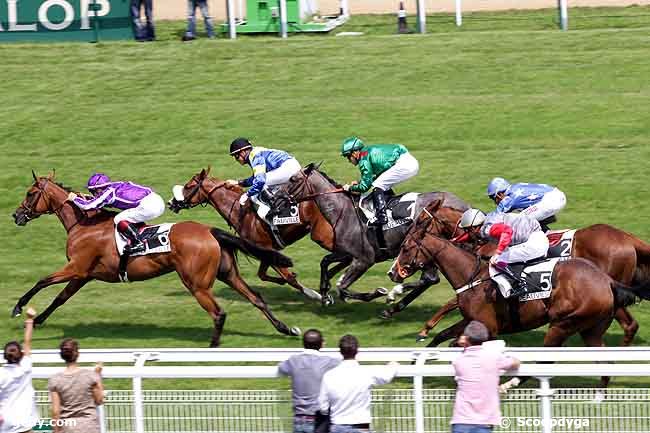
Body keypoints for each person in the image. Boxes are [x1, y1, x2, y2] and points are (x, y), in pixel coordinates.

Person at [457, 208, 549, 298]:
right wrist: (454, 241)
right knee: (502, 256)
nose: (467, 233)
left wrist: (498, 253)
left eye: (467, 230)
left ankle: (520, 284)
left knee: (498, 259)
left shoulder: (487, 229)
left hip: (535, 244)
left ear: (474, 228)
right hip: (535, 238)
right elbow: (469, 236)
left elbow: (507, 231)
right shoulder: (488, 220)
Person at [67, 173, 166, 255]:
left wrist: (74, 198)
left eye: (93, 191)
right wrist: (89, 197)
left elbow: (87, 206)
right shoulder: (115, 185)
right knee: (128, 215)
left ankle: (138, 243)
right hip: (157, 199)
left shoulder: (108, 193)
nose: (92, 193)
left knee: (118, 218)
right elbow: (104, 201)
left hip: (150, 207)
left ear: (99, 189)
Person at [318, 335, 399, 433]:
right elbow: (386, 376)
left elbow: (323, 407)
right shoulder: (366, 372)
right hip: (361, 427)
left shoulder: (329, 375)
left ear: (340, 351)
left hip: (337, 426)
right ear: (357, 351)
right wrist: (393, 366)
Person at [451, 321, 520, 433]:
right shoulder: (494, 357)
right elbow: (515, 363)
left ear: (466, 339)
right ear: (485, 340)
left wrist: (463, 342)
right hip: (485, 422)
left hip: (461, 420)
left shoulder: (459, 361)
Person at [340, 137, 419, 226]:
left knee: (378, 185)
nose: (349, 160)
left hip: (404, 164)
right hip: (408, 161)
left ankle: (382, 217)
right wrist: (360, 182)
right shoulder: (366, 153)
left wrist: (349, 188)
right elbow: (373, 178)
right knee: (381, 183)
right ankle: (389, 207)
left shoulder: (364, 159)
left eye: (348, 156)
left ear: (354, 153)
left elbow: (365, 187)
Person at [278, 329, 341, 433]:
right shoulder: (328, 361)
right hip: (318, 419)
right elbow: (344, 363)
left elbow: (281, 368)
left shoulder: (293, 360)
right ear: (321, 344)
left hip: (298, 419)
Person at [226, 138, 302, 221]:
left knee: (256, 193)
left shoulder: (254, 156)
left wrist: (247, 194)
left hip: (288, 169)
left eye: (236, 156)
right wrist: (238, 183)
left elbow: (260, 180)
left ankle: (273, 210)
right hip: (290, 166)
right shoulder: (255, 153)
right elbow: (256, 177)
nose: (236, 159)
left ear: (243, 152)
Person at [48, 339, 104, 433]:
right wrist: (97, 375)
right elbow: (99, 400)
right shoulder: (91, 376)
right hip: (89, 426)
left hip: (68, 427)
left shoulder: (55, 380)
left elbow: (55, 411)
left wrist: (56, 430)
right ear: (77, 354)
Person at [0, 308, 38, 433]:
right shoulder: (25, 366)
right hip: (25, 421)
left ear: (5, 357)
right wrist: (29, 319)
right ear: (21, 355)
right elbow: (27, 342)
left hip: (6, 423)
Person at [486, 177, 566, 231]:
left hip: (551, 200)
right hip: (556, 195)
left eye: (493, 198)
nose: (495, 202)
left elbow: (496, 215)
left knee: (519, 221)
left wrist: (484, 219)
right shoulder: (515, 187)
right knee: (524, 217)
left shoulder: (509, 197)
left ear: (499, 194)